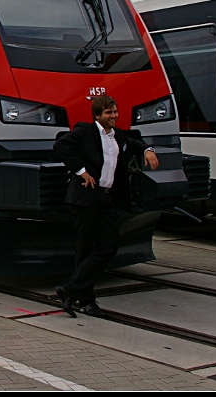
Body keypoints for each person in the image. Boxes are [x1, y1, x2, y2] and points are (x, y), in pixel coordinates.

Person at [53, 94, 159, 318]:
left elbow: (134, 143)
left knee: (108, 247)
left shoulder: (117, 135)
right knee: (84, 250)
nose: (114, 116)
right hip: (85, 198)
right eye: (109, 112)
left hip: (107, 199)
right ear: (98, 115)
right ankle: (86, 301)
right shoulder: (85, 131)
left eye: (115, 111)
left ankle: (69, 289)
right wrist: (81, 171)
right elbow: (61, 146)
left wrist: (148, 150)